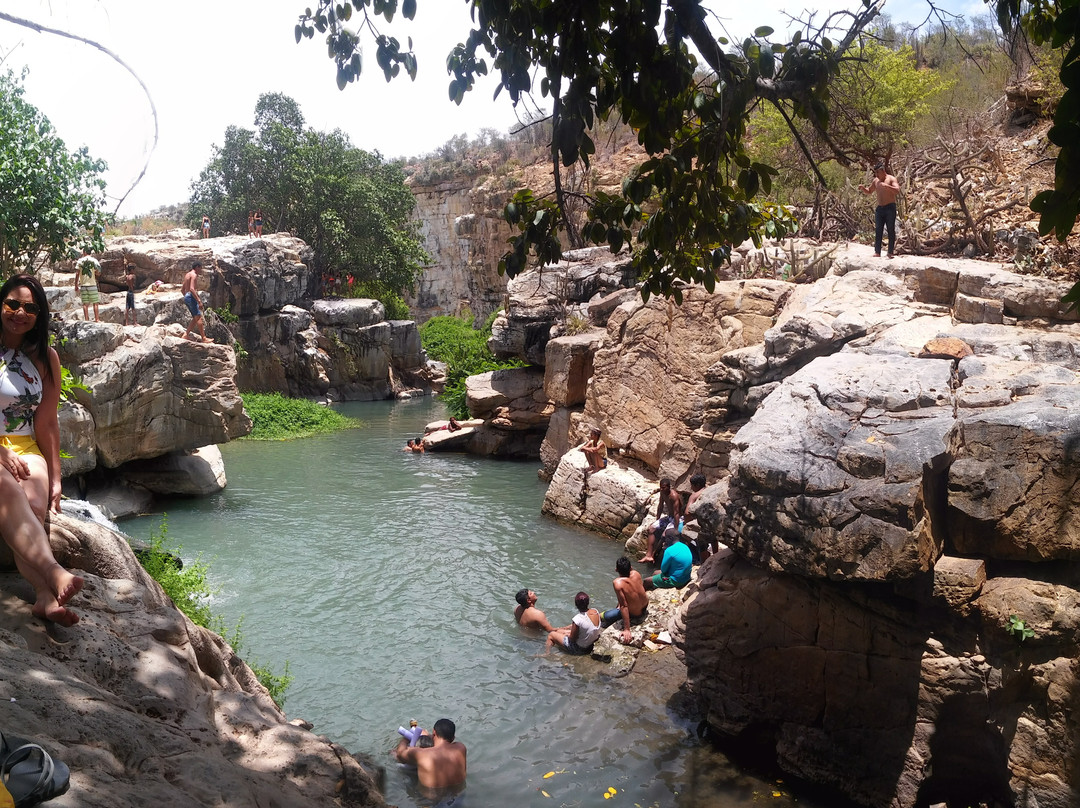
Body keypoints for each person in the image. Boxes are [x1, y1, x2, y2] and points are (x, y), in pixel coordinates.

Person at [0, 274, 85, 626]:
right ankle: (53, 573)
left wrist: (55, 479)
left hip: (25, 444)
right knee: (6, 491)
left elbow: (48, 422)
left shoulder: (45, 358)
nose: (20, 312)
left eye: (30, 308)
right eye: (13, 304)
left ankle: (44, 598)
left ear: (39, 315)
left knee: (35, 504)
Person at [394, 718, 467, 790]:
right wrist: (428, 735)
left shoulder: (421, 754)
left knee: (394, 753)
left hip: (429, 800)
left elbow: (400, 754)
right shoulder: (461, 748)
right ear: (453, 738)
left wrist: (406, 738)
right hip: (458, 796)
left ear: (434, 733)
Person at [600, 557, 649, 644]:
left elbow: (624, 606)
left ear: (616, 570)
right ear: (631, 568)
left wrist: (627, 629)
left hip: (635, 614)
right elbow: (636, 591)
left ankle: (599, 616)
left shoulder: (618, 583)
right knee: (618, 608)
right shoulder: (636, 573)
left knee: (604, 616)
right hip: (645, 607)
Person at [858, 162, 901, 258]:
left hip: (890, 207)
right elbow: (869, 191)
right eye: (875, 173)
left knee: (890, 229)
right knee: (878, 230)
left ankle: (890, 252)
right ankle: (877, 252)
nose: (876, 175)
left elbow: (897, 190)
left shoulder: (891, 179)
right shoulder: (876, 181)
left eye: (878, 172)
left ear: (883, 171)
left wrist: (888, 187)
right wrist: (863, 188)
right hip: (880, 208)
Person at [639, 478, 682, 564]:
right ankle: (649, 555)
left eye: (664, 487)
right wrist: (657, 520)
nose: (662, 489)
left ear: (669, 487)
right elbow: (660, 506)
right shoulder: (662, 493)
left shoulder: (674, 496)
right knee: (652, 528)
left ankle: (655, 556)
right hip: (669, 517)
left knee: (664, 535)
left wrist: (676, 530)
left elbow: (677, 513)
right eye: (661, 487)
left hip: (677, 519)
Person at [182, 262, 210, 343]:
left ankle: (185, 335)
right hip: (191, 296)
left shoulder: (187, 275)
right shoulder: (194, 275)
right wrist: (199, 300)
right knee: (198, 317)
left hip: (187, 296)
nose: (201, 270)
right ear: (197, 267)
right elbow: (192, 288)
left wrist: (186, 297)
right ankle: (204, 338)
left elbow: (182, 289)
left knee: (195, 318)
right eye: (200, 268)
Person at [74, 249, 101, 322]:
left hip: (83, 285)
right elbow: (99, 272)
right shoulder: (94, 261)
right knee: (95, 303)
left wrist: (76, 285)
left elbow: (77, 273)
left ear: (84, 252)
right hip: (92, 284)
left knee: (85, 304)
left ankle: (86, 319)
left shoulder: (80, 261)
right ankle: (97, 319)